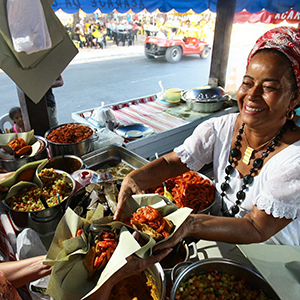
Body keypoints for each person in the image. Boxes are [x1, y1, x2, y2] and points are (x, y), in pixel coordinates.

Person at [115, 26, 300, 248]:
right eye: (247, 83)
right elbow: (173, 162)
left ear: (294, 99)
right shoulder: (219, 128)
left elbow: (256, 227)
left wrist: (192, 224)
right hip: (222, 236)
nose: (252, 95)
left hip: (273, 257)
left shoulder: (294, 161)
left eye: (269, 87)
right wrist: (136, 177)